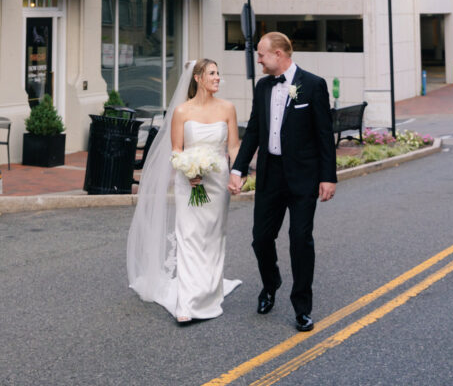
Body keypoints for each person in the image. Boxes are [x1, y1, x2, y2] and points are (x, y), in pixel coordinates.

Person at [228, 32, 337, 332]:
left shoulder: (313, 85)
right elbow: (253, 132)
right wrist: (238, 169)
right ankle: (270, 282)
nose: (258, 59)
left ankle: (302, 307)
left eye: (262, 54)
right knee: (261, 238)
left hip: (303, 177)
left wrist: (328, 176)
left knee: (300, 240)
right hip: (270, 175)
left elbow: (324, 135)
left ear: (279, 54)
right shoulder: (263, 87)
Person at [127, 59, 241, 323]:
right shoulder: (181, 112)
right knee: (188, 236)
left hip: (217, 181)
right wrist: (189, 171)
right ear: (198, 78)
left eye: (218, 73)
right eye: (212, 73)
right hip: (189, 181)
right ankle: (187, 303)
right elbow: (176, 149)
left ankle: (210, 292)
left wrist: (237, 172)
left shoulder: (228, 108)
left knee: (213, 237)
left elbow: (233, 146)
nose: (217, 78)